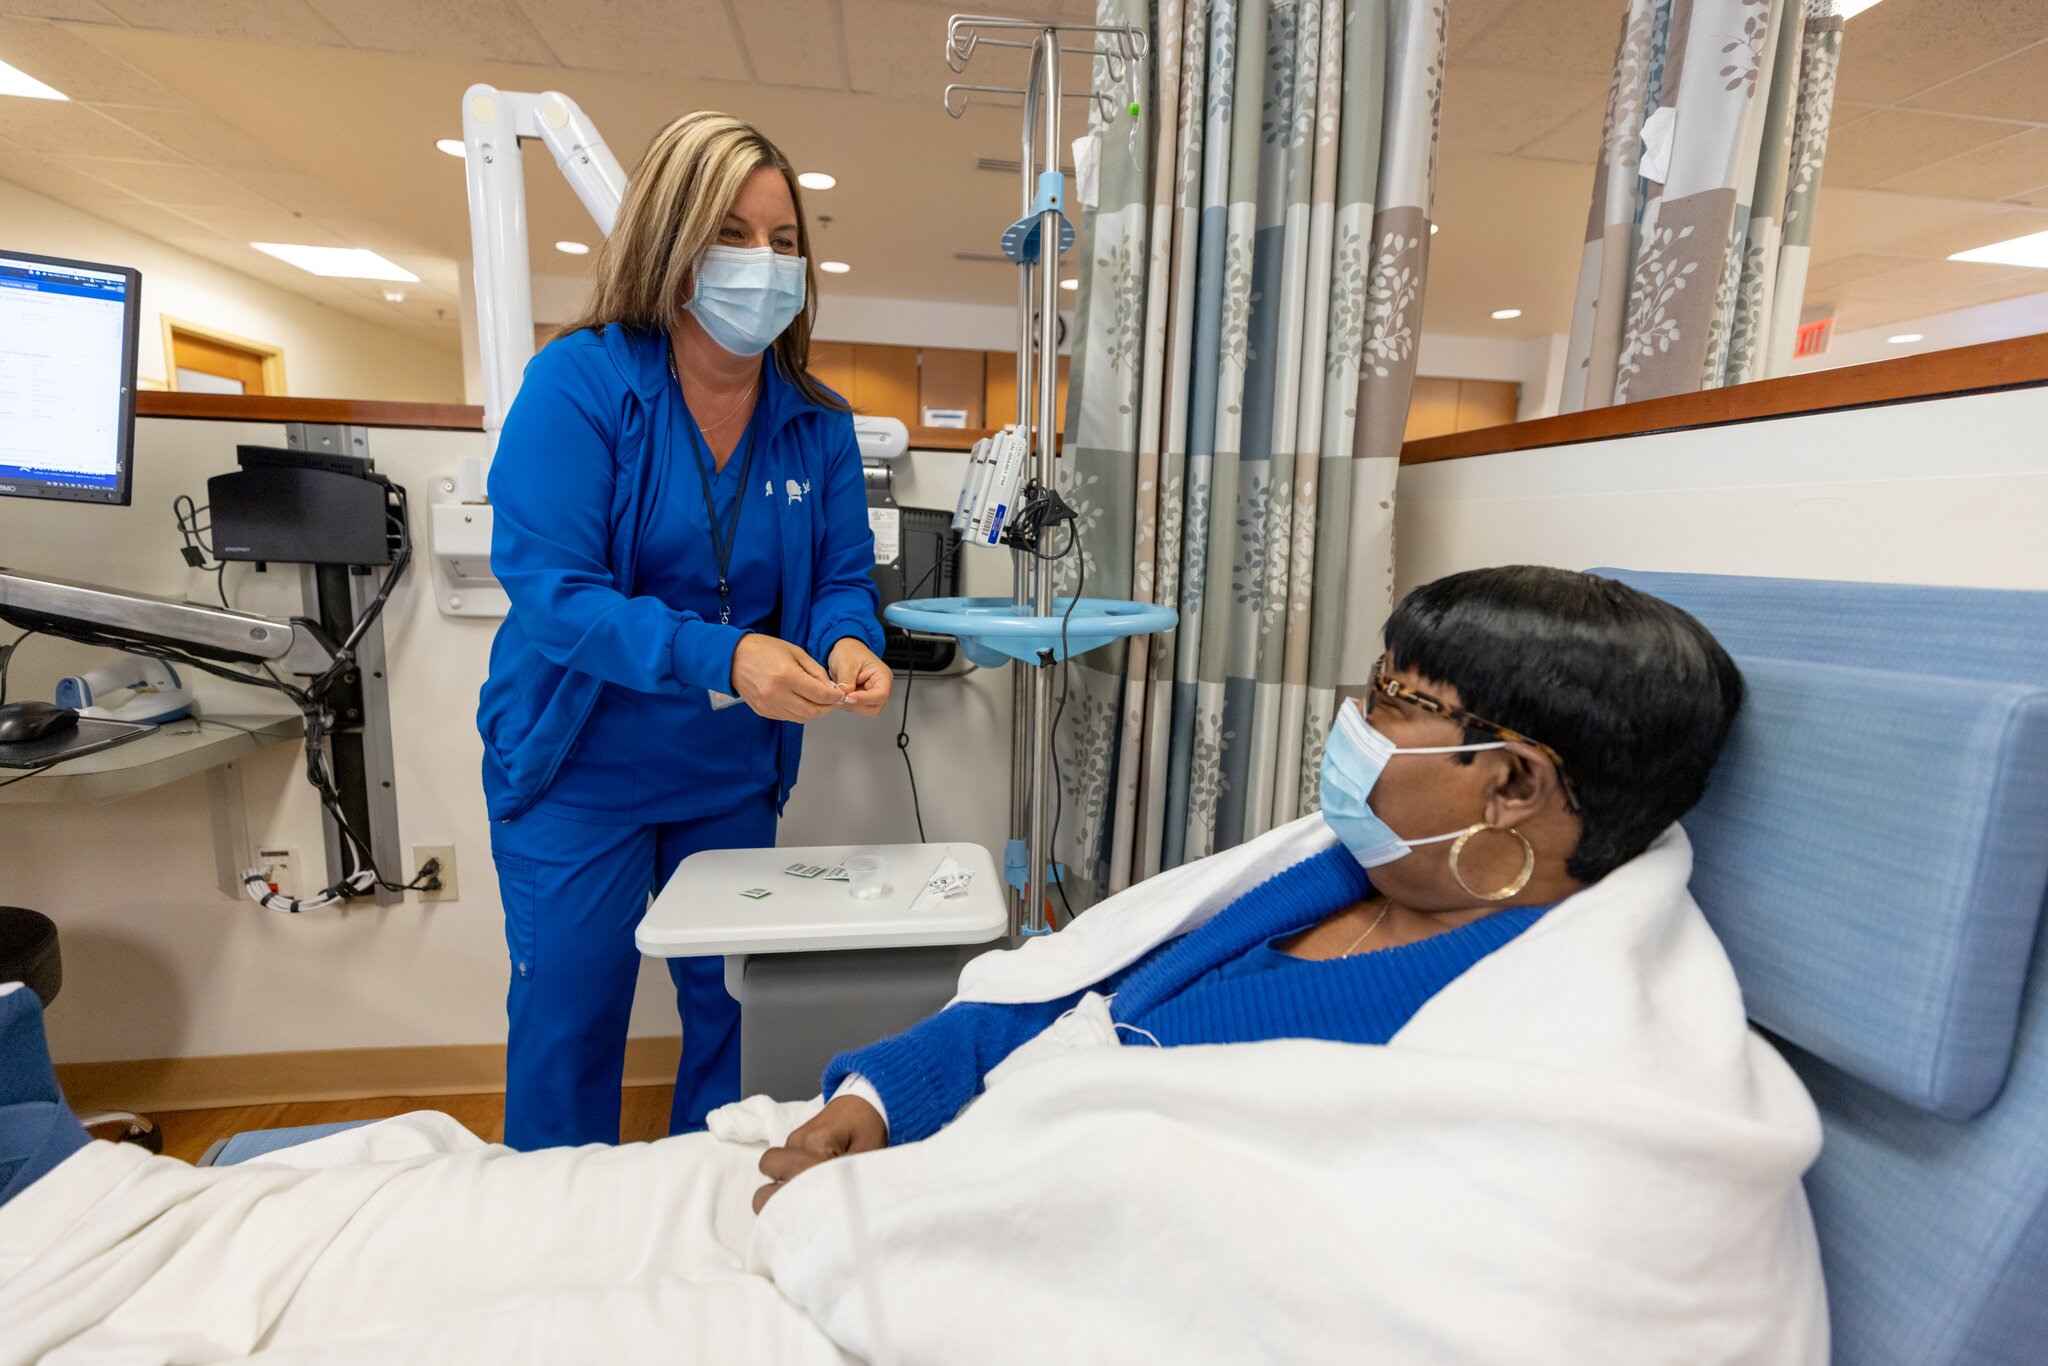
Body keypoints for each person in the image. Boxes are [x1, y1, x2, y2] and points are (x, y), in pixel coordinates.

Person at [2, 569, 1826, 1365]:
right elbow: (1050, 999)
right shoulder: (1317, 867)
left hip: (949, 1297)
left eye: (1401, 703)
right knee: (419, 1220)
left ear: (1513, 786)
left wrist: (966, 1206)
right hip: (888, 1181)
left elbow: (1312, 1267)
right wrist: (877, 1095)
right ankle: (67, 1218)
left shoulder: (1583, 1072)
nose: (1351, 729)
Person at [475, 112, 894, 1150]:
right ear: (671, 242)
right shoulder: (579, 385)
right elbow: (552, 592)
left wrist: (849, 641)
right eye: (733, 236)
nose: (766, 263)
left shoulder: (816, 420)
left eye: (784, 241)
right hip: (575, 766)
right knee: (569, 1027)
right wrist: (723, 654)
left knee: (735, 1021)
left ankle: (716, 1214)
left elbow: (841, 579)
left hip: (725, 773)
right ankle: (553, 1228)